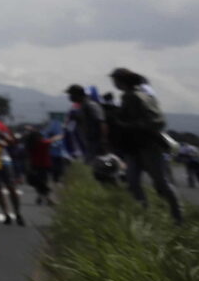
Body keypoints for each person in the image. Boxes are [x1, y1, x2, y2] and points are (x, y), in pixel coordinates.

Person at [108, 68, 183, 224]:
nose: (114, 83)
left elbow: (151, 122)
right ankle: (157, 215)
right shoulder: (145, 96)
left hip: (145, 145)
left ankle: (173, 216)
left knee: (156, 183)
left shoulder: (132, 97)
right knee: (137, 181)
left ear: (122, 81)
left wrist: (126, 124)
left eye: (115, 80)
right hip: (138, 145)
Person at [65, 85, 105, 164]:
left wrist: (103, 141)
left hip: (95, 143)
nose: (70, 97)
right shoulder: (81, 107)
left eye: (71, 94)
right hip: (88, 143)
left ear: (77, 94)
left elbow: (101, 123)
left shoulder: (90, 105)